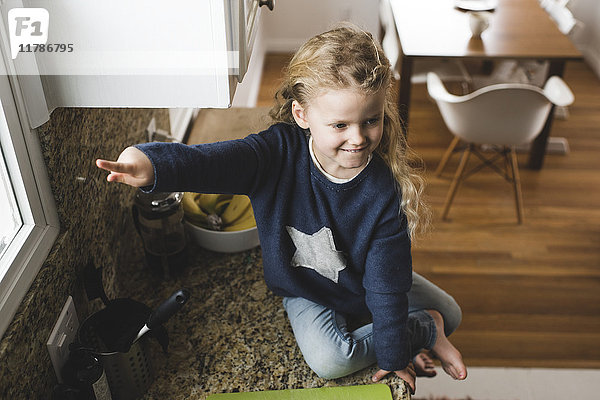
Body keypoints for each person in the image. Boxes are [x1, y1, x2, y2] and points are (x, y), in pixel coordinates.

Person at [96, 24, 467, 393]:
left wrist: (393, 356)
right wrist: (151, 164)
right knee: (331, 361)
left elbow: (386, 286)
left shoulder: (382, 189)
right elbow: (212, 162)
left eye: (371, 120)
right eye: (339, 124)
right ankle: (423, 328)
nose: (358, 138)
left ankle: (422, 328)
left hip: (364, 282)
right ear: (302, 115)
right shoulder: (275, 155)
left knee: (452, 312)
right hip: (303, 288)